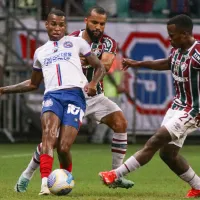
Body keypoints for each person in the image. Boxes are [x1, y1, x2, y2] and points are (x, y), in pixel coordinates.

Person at [0, 6, 134, 194]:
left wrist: (89, 69)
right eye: (95, 22)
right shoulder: (70, 39)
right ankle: (29, 174)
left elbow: (105, 64)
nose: (98, 27)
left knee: (121, 123)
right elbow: (40, 75)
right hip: (68, 94)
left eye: (102, 24)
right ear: (86, 21)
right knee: (53, 141)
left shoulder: (108, 43)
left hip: (93, 95)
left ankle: (115, 175)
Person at [99, 14, 200, 198]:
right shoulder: (177, 51)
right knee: (167, 154)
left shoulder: (197, 54)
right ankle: (198, 186)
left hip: (193, 111)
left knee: (155, 140)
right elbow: (166, 63)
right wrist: (138, 63)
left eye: (172, 35)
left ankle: (115, 174)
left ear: (185, 34)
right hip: (176, 107)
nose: (169, 38)